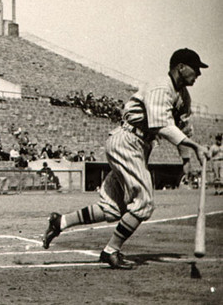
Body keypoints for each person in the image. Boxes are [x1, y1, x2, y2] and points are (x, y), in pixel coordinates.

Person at [42, 48, 211, 269]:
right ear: (181, 67)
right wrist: (195, 147)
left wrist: (187, 160)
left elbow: (182, 130)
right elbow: (161, 125)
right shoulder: (161, 87)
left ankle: (60, 221)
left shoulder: (183, 97)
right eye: (195, 68)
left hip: (139, 146)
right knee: (144, 203)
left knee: (112, 208)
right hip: (128, 140)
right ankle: (111, 250)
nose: (198, 74)